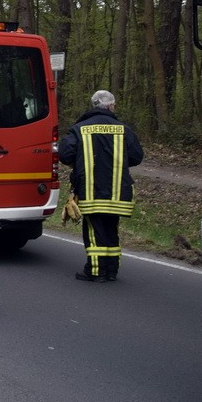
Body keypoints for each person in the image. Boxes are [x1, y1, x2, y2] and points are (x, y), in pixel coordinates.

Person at [58, 90, 144, 283]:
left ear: (93, 105)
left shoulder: (79, 129)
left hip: (91, 191)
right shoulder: (124, 129)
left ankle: (96, 271)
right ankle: (111, 271)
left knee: (93, 231)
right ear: (111, 106)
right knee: (111, 230)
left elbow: (65, 155)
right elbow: (137, 156)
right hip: (117, 192)